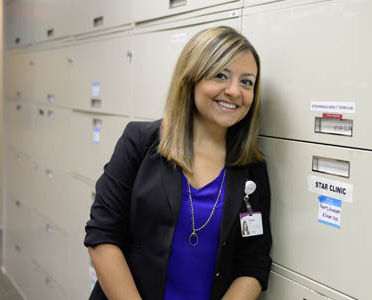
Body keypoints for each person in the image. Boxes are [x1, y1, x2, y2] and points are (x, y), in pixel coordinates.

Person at [84, 26, 272, 300]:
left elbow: (253, 263)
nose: (234, 91)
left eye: (247, 82)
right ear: (191, 79)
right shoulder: (140, 142)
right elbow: (103, 236)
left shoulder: (252, 167)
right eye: (221, 75)